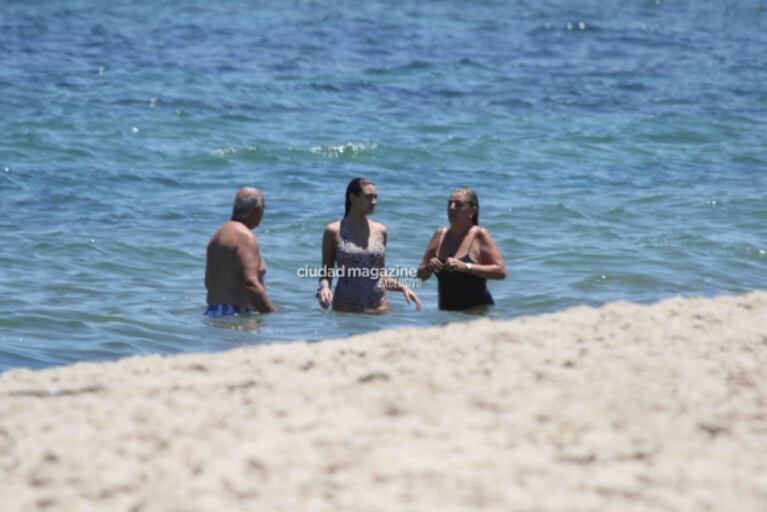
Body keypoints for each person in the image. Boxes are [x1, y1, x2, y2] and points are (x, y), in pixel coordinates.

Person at [317, 177, 421, 313]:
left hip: (379, 307)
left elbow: (381, 275)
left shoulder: (381, 230)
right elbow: (326, 274)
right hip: (347, 309)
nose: (374, 202)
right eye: (368, 197)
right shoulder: (333, 231)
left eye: (375, 197)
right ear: (353, 198)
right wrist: (324, 288)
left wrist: (403, 287)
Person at [417, 188, 506, 311]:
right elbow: (420, 276)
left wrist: (467, 267)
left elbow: (500, 272)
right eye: (449, 204)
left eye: (458, 204)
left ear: (472, 209)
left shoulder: (480, 235)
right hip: (446, 315)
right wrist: (428, 268)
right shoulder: (440, 234)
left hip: (477, 313)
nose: (452, 208)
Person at [204, 187, 277, 316]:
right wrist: (273, 314)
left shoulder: (217, 236)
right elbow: (250, 284)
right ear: (257, 210)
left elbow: (208, 282)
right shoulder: (245, 237)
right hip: (237, 316)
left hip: (213, 312)